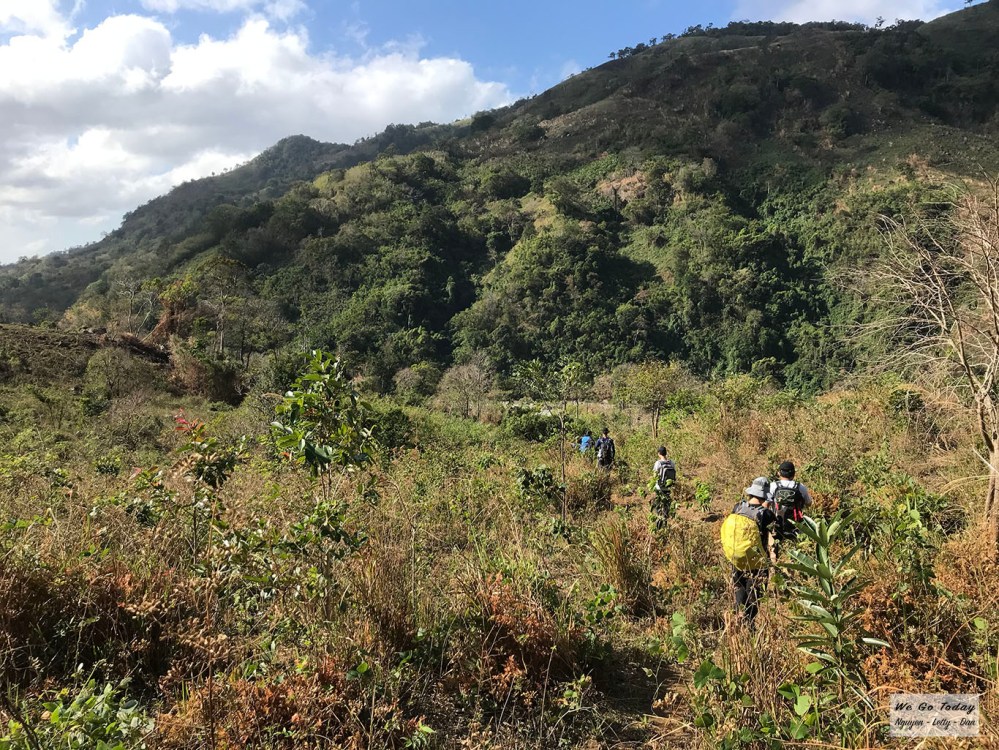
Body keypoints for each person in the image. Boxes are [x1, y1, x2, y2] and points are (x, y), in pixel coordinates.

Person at [721, 477, 776, 626]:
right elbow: (773, 528)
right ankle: (749, 626)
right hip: (757, 563)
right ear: (765, 495)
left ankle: (738, 622)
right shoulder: (765, 514)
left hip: (736, 560)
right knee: (755, 598)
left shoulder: (737, 507)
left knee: (739, 594)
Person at [767, 461, 813, 551]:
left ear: (779, 473)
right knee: (797, 548)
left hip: (776, 525)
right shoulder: (800, 487)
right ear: (793, 474)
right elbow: (809, 503)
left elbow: (766, 504)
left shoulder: (773, 486)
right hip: (795, 525)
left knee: (775, 548)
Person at [651, 445, 677, 531]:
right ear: (666, 453)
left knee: (658, 507)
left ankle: (658, 527)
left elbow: (654, 475)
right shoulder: (671, 462)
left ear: (659, 453)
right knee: (666, 508)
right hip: (668, 488)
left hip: (659, 488)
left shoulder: (658, 463)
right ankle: (665, 525)